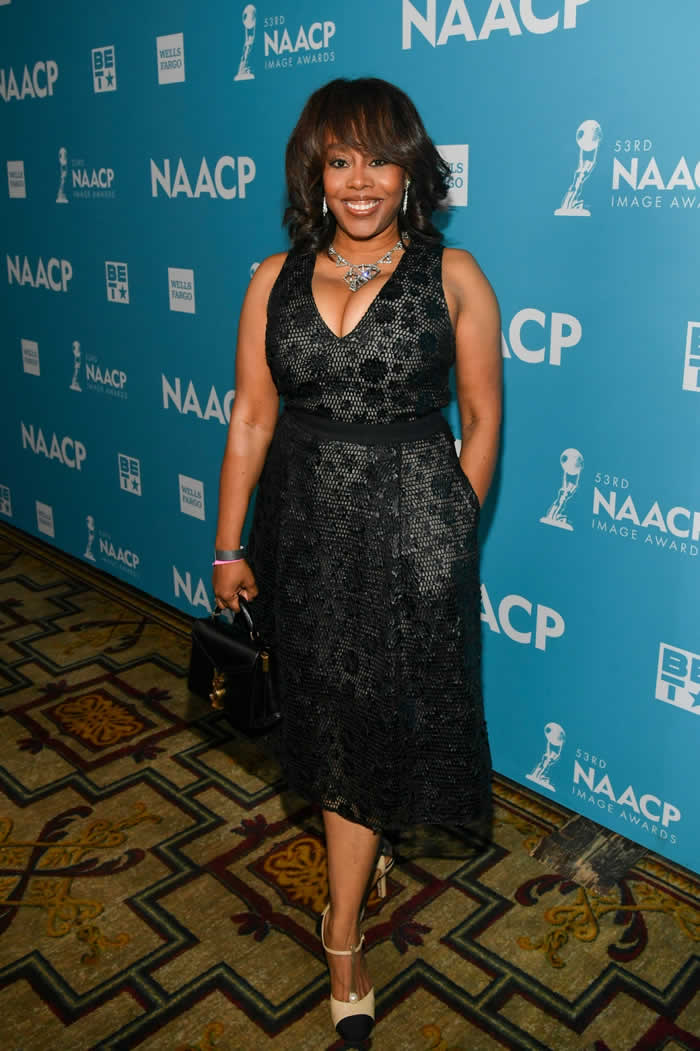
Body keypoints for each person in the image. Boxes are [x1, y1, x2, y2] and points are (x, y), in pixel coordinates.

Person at [212, 77, 502, 1043]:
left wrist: (451, 527)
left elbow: (482, 416)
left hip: (408, 533)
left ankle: (340, 935)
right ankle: (360, 861)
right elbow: (251, 419)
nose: (362, 180)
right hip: (298, 532)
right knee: (329, 711)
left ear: (411, 171)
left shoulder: (454, 275)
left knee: (372, 719)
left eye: (381, 159)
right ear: (317, 173)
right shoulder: (272, 278)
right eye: (341, 160)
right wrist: (227, 543)